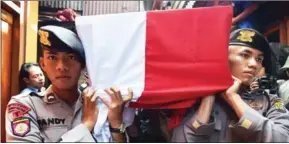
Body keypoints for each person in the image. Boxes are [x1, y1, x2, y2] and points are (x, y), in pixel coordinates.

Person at [6, 25, 132, 142]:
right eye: (52, 57)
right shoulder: (25, 106)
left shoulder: (98, 102)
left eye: (71, 57)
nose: (62, 66)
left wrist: (117, 125)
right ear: (42, 63)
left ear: (83, 64)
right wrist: (86, 125)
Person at [171, 28, 289, 142]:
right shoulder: (195, 100)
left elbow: (282, 139)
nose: (254, 64)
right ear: (223, 59)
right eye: (245, 55)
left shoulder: (271, 101)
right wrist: (208, 99)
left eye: (259, 59)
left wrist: (234, 98)